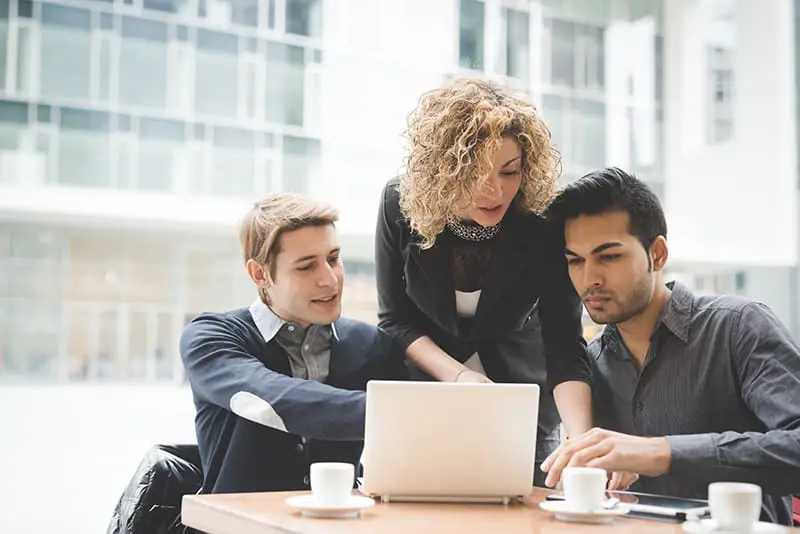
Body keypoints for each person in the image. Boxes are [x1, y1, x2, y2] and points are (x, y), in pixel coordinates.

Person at [541, 167, 800, 524]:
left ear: (658, 254)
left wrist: (660, 452)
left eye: (609, 256)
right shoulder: (589, 370)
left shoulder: (738, 327)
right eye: (576, 261)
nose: (590, 279)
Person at [374, 77, 595, 482]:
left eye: (510, 172)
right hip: (426, 402)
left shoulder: (544, 222)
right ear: (444, 170)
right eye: (475, 173)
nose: (495, 190)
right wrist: (459, 376)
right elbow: (394, 320)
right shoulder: (399, 204)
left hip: (522, 410)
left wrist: (582, 442)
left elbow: (564, 340)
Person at [180, 193, 407, 494]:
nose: (330, 280)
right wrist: (402, 412)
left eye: (333, 259)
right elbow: (272, 398)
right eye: (306, 266)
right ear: (259, 274)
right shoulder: (211, 337)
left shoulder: (370, 344)